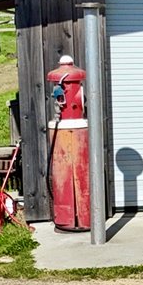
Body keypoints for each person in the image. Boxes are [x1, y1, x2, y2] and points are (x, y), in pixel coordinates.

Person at [45, 53, 90, 231]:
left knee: (80, 174)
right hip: (65, 129)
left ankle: (83, 218)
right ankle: (67, 218)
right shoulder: (60, 121)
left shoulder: (75, 92)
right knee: (65, 177)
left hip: (75, 128)